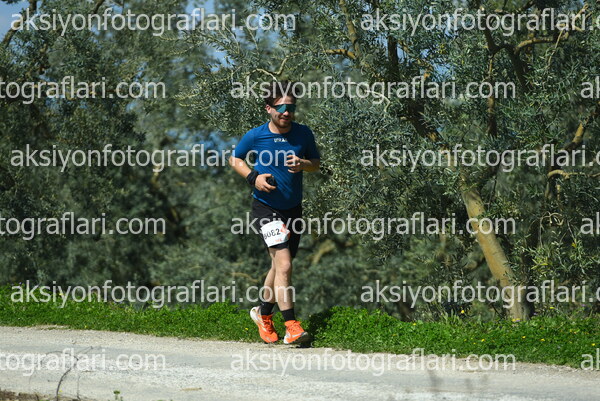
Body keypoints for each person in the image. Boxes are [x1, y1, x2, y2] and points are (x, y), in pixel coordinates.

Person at [229, 81, 320, 344]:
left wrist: (304, 164)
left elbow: (316, 163)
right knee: (285, 264)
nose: (286, 113)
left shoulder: (303, 134)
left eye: (290, 107)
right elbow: (235, 159)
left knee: (279, 266)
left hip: (293, 209)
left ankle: (263, 313)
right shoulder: (256, 135)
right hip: (265, 208)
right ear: (268, 108)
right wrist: (253, 178)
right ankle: (292, 326)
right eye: (280, 108)